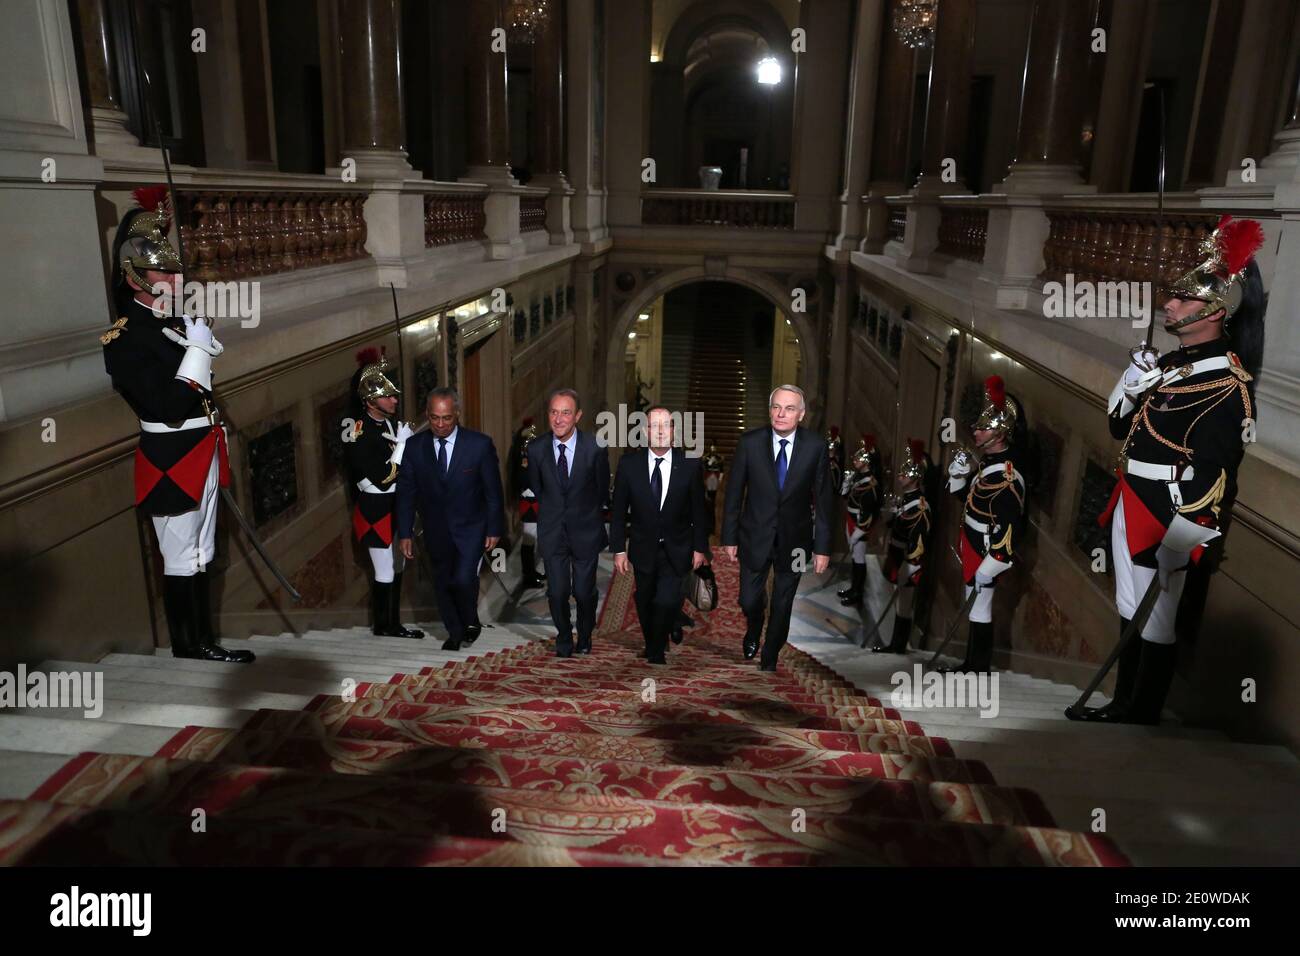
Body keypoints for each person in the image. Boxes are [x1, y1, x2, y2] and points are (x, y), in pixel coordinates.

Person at [1070, 216, 1265, 725]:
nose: (1170, 305)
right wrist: (1132, 386)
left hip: (1167, 512)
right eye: (1172, 297)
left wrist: (1181, 539)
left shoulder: (1228, 386)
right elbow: (1119, 429)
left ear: (1216, 311)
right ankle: (1123, 700)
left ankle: (1142, 709)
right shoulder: (1171, 367)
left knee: (1157, 617)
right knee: (1131, 604)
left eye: (1183, 300)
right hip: (1130, 496)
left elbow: (1216, 472)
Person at [101, 187, 253, 664]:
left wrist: (194, 338)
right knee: (181, 556)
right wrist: (197, 348)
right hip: (170, 458)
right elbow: (166, 403)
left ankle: (204, 640)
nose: (172, 277)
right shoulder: (125, 338)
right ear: (134, 274)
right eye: (162, 270)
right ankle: (190, 646)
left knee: (202, 552)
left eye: (173, 269)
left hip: (202, 448)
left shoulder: (173, 323)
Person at [721, 385, 834, 671]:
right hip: (754, 534)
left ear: (801, 414)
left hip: (795, 540)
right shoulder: (750, 442)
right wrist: (729, 537)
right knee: (748, 599)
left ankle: (769, 657)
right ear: (770, 410)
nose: (781, 414)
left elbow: (823, 501)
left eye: (789, 408)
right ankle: (754, 624)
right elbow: (734, 494)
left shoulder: (815, 447)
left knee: (783, 604)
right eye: (776, 407)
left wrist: (822, 547)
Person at [396, 388, 505, 651]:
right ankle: (455, 632)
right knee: (443, 582)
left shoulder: (479, 445)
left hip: (472, 528)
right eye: (434, 418)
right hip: (435, 530)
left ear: (457, 413)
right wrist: (405, 533)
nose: (441, 424)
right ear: (427, 415)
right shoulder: (414, 447)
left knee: (464, 579)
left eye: (446, 418)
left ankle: (470, 620)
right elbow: (406, 494)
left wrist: (494, 527)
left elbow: (493, 492)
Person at [610, 406, 711, 664]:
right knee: (644, 598)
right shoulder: (629, 464)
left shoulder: (689, 465)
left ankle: (655, 652)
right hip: (643, 547)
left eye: (666, 425)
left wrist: (700, 548)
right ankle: (656, 640)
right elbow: (619, 511)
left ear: (674, 432)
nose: (660, 431)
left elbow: (699, 512)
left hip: (678, 548)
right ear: (645, 432)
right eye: (654, 426)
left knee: (667, 600)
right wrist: (619, 549)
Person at [944, 375, 1028, 674]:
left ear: (1001, 433)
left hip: (986, 549)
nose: (976, 432)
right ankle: (971, 662)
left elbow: (1010, 529)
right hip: (972, 541)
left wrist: (991, 564)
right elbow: (970, 501)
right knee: (975, 607)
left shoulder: (1006, 476)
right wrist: (958, 476)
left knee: (980, 607)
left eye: (984, 428)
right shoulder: (988, 463)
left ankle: (977, 665)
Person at [344, 350, 423, 639]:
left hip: (396, 503)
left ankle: (394, 623)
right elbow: (382, 477)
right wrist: (403, 448)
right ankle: (384, 626)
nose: (394, 400)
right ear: (370, 400)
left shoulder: (389, 424)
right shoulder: (358, 432)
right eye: (388, 397)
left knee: (399, 564)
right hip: (374, 506)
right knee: (385, 570)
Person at [526, 389, 611, 657]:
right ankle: (564, 635)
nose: (559, 418)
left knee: (584, 592)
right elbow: (538, 489)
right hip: (552, 532)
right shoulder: (536, 448)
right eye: (554, 412)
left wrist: (584, 514)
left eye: (565, 412)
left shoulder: (595, 447)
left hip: (585, 531)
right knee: (557, 593)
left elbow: (600, 491)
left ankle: (584, 634)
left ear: (577, 416)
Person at [873, 439, 932, 654]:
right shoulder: (906, 501)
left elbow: (919, 540)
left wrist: (912, 566)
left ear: (915, 477)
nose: (900, 476)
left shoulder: (920, 506)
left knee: (904, 604)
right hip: (896, 553)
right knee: (899, 603)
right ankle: (895, 643)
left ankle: (898, 645)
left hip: (909, 559)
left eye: (905, 474)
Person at [836, 434, 883, 607]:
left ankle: (858, 592)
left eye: (858, 458)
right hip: (851, 519)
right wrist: (846, 484)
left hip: (859, 523)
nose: (854, 460)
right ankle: (853, 588)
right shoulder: (858, 477)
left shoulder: (871, 484)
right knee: (855, 558)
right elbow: (845, 496)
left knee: (859, 558)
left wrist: (858, 532)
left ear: (867, 461)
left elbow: (868, 513)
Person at [508, 417, 546, 589]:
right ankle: (528, 576)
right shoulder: (524, 455)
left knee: (532, 537)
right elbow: (525, 476)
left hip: (533, 496)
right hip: (529, 498)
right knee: (530, 537)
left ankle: (531, 572)